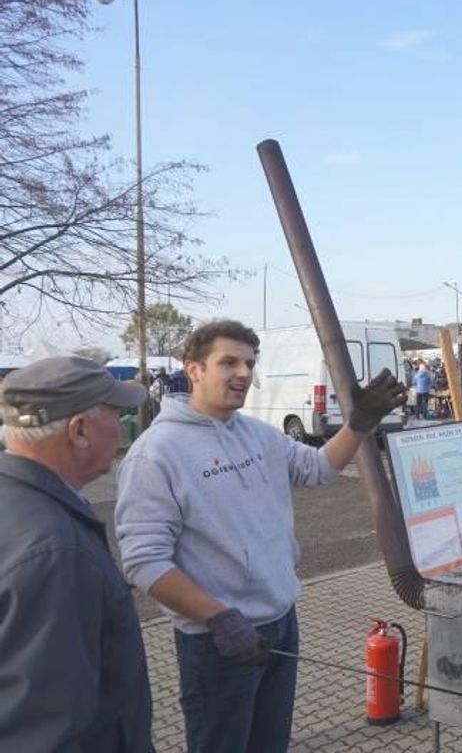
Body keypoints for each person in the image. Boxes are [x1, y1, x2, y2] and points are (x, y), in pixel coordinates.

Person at [114, 320, 406, 753]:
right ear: (193, 369)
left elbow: (319, 468)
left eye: (250, 363)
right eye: (228, 362)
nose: (244, 373)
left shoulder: (255, 433)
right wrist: (219, 617)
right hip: (217, 642)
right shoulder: (156, 452)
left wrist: (359, 424)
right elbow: (143, 562)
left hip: (280, 624)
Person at [0, 356, 153, 750]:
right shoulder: (54, 550)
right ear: (80, 429)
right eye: (116, 413)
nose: (121, 427)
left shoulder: (22, 504)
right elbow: (40, 734)